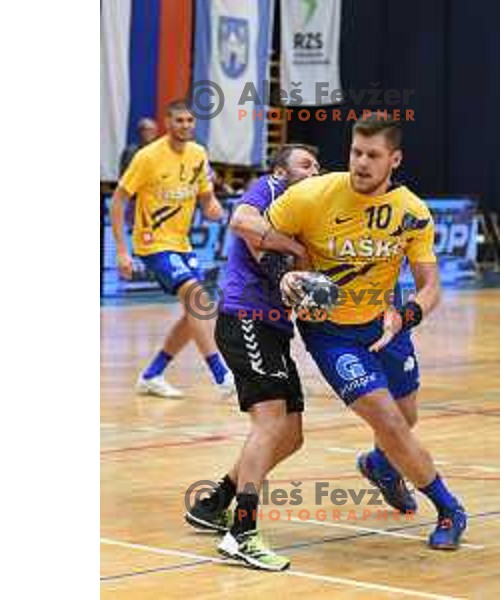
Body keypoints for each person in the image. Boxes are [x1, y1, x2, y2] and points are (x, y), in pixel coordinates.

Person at [270, 115, 467, 550]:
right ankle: (450, 509)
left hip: (387, 327)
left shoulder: (411, 211)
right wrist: (281, 274)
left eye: (373, 155)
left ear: (393, 159)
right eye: (356, 152)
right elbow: (256, 233)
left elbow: (431, 286)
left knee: (406, 418)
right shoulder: (311, 195)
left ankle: (380, 465)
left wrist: (406, 316)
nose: (361, 162)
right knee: (391, 422)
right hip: (330, 334)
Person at [184, 144, 320, 570]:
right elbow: (241, 220)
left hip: (275, 328)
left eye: (317, 164)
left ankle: (214, 502)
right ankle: (242, 533)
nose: (314, 169)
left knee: (291, 435)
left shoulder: (310, 213)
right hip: (245, 317)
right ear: (281, 170)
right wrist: (294, 252)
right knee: (269, 423)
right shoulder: (269, 188)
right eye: (304, 163)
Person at [110, 99, 233, 398]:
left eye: (190, 121)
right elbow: (118, 200)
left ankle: (152, 375)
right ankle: (222, 375)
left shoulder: (199, 154)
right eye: (179, 121)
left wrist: (213, 206)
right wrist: (122, 251)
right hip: (152, 243)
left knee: (197, 311)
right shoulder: (147, 157)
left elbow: (206, 198)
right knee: (197, 298)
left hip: (182, 243)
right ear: (168, 123)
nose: (185, 126)